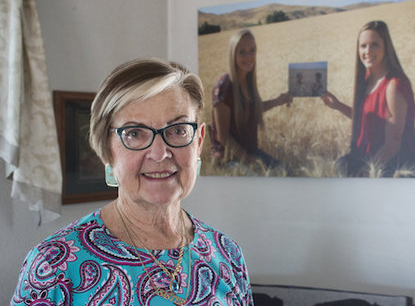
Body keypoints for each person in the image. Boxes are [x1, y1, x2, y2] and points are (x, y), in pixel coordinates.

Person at [11, 58, 254, 305]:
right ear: (106, 148)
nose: (160, 153)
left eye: (178, 130)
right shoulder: (54, 266)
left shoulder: (228, 254)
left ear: (199, 141)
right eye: (134, 133)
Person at [322, 20, 415, 177]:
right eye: (363, 46)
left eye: (374, 44)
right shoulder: (368, 79)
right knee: (339, 165)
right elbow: (368, 119)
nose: (367, 50)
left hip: (391, 164)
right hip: (366, 156)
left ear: (386, 47)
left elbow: (393, 144)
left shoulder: (394, 85)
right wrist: (338, 105)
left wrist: (367, 172)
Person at [210, 29, 291, 168]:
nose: (249, 57)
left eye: (252, 50)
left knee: (285, 171)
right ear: (233, 54)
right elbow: (223, 137)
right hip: (230, 159)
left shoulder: (248, 81)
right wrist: (248, 160)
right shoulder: (224, 86)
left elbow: (252, 109)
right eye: (242, 52)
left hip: (251, 152)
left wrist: (279, 100)